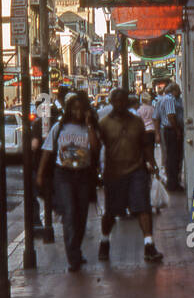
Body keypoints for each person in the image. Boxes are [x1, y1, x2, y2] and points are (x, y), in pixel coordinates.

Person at [97, 88, 163, 263]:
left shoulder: (137, 122)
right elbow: (97, 147)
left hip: (136, 170)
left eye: (122, 100)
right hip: (114, 173)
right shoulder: (104, 123)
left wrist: (152, 164)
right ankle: (104, 241)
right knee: (111, 212)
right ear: (112, 102)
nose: (119, 104)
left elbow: (144, 145)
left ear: (127, 102)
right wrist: (97, 172)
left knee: (143, 207)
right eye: (116, 101)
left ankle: (149, 245)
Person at [40, 93, 100, 272]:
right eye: (74, 108)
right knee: (69, 213)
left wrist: (89, 125)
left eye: (81, 108)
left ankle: (76, 250)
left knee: (81, 216)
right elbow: (47, 151)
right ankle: (73, 256)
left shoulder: (89, 128)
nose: (77, 112)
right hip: (63, 174)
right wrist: (40, 174)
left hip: (83, 175)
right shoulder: (59, 127)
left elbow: (96, 147)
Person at [153, 81, 184, 192]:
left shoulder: (161, 100)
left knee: (169, 156)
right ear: (174, 90)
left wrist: (157, 133)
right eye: (178, 90)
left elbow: (155, 118)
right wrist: (177, 130)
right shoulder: (170, 99)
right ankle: (173, 183)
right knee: (173, 157)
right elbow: (171, 116)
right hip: (171, 130)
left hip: (166, 130)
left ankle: (172, 181)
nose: (180, 92)